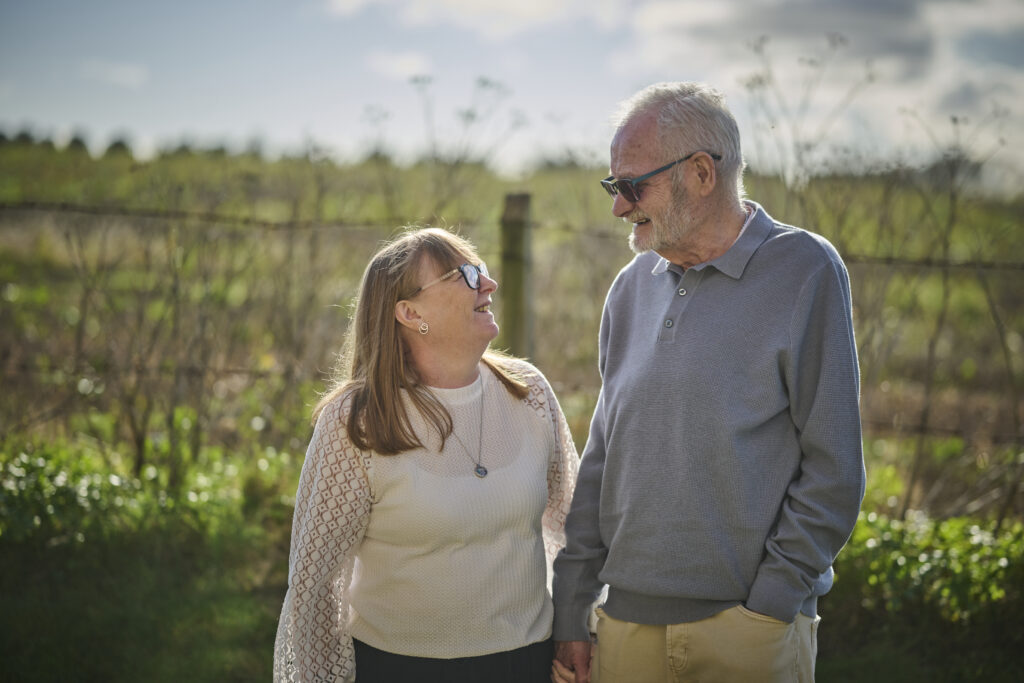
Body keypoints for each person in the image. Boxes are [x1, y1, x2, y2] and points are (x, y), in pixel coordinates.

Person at [551, 82, 866, 683]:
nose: (619, 206)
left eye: (631, 186)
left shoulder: (805, 270)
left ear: (700, 173)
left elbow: (835, 467)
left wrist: (769, 605)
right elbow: (602, 460)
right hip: (625, 627)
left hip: (748, 632)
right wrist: (574, 608)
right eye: (612, 187)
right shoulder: (629, 288)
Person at [273, 227, 578, 683]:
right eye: (466, 275)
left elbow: (571, 525)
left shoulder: (529, 392)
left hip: (526, 664)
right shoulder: (356, 420)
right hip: (399, 669)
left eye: (483, 271)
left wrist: (576, 627)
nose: (488, 284)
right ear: (410, 312)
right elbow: (314, 587)